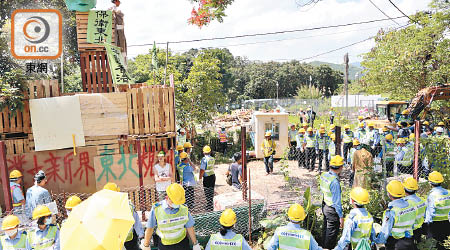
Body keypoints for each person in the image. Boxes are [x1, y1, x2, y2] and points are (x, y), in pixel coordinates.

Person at [141, 183, 201, 250]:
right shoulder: (157, 209)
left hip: (182, 244)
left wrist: (195, 244)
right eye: (174, 202)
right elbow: (150, 228)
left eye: (178, 202)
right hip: (165, 245)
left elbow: (190, 227)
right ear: (167, 198)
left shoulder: (184, 209)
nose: (177, 204)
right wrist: (146, 245)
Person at [103, 183, 144, 250]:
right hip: (128, 239)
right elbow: (136, 221)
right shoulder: (128, 204)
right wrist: (141, 235)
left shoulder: (103, 207)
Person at [320, 155, 344, 249]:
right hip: (332, 210)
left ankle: (322, 247)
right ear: (341, 167)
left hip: (325, 206)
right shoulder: (334, 182)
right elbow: (337, 202)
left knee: (326, 230)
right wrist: (341, 217)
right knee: (331, 235)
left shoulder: (324, 175)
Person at [425, 171, 450, 250]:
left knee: (433, 245)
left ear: (430, 183)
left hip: (434, 225)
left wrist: (426, 224)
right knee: (444, 245)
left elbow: (430, 211)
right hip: (446, 223)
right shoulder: (448, 193)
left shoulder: (432, 195)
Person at [401, 177, 426, 245]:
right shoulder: (422, 201)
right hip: (419, 228)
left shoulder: (406, 203)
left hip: (408, 231)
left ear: (404, 189)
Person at [199, 145, 216, 212]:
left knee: (207, 192)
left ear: (203, 152)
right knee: (211, 191)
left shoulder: (204, 159)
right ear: (210, 151)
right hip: (212, 176)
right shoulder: (212, 158)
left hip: (207, 178)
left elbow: (202, 170)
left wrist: (200, 178)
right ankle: (211, 204)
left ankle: (209, 206)